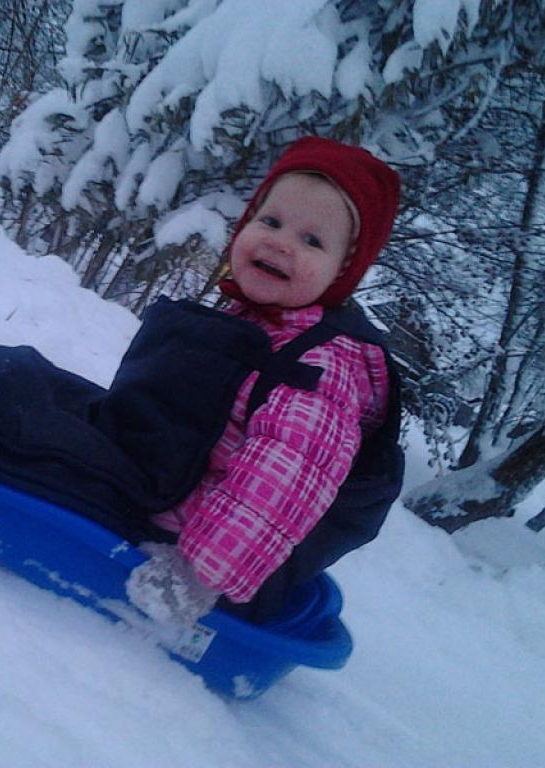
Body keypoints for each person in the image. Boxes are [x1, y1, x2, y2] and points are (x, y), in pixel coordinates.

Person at [125, 136, 402, 627]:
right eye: (270, 221)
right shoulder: (261, 320)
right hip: (162, 489)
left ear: (344, 270)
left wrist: (193, 576)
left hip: (189, 552)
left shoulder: (321, 365)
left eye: (312, 240)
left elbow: (282, 480)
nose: (279, 241)